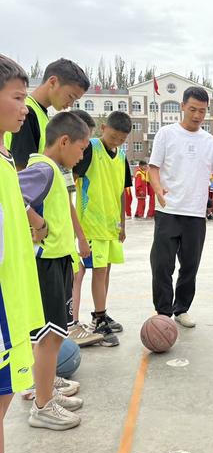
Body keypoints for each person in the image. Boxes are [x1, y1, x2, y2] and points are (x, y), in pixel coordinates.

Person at [18, 111, 90, 430]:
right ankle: (43, 406)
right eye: (81, 147)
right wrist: (39, 223)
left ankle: (46, 391)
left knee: (55, 335)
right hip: (45, 263)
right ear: (64, 141)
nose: (82, 154)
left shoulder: (55, 170)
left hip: (58, 260)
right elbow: (14, 196)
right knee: (49, 337)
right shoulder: (42, 168)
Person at [0, 53, 46, 453]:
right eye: (17, 97)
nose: (24, 106)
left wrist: (30, 222)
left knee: (4, 389)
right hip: (1, 297)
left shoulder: (6, 151)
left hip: (12, 293)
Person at [149, 86, 213, 328]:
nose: (197, 115)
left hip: (195, 214)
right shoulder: (166, 134)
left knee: (190, 266)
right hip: (168, 210)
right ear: (182, 106)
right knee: (162, 264)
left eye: (202, 111)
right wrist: (157, 189)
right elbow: (153, 167)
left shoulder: (209, 141)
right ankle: (163, 311)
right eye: (192, 109)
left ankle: (181, 308)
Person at [73, 111, 133, 346]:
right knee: (94, 272)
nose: (116, 141)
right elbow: (73, 178)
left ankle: (101, 312)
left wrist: (123, 223)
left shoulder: (121, 157)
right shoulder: (90, 148)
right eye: (113, 136)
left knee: (105, 271)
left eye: (121, 138)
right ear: (103, 127)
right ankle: (97, 319)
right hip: (90, 225)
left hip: (110, 226)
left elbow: (121, 193)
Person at [67, 110, 103, 347]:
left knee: (76, 274)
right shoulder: (52, 167)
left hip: (69, 231)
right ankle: (70, 326)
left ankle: (72, 324)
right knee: (75, 276)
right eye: (82, 147)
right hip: (53, 235)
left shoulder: (65, 170)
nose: (83, 154)